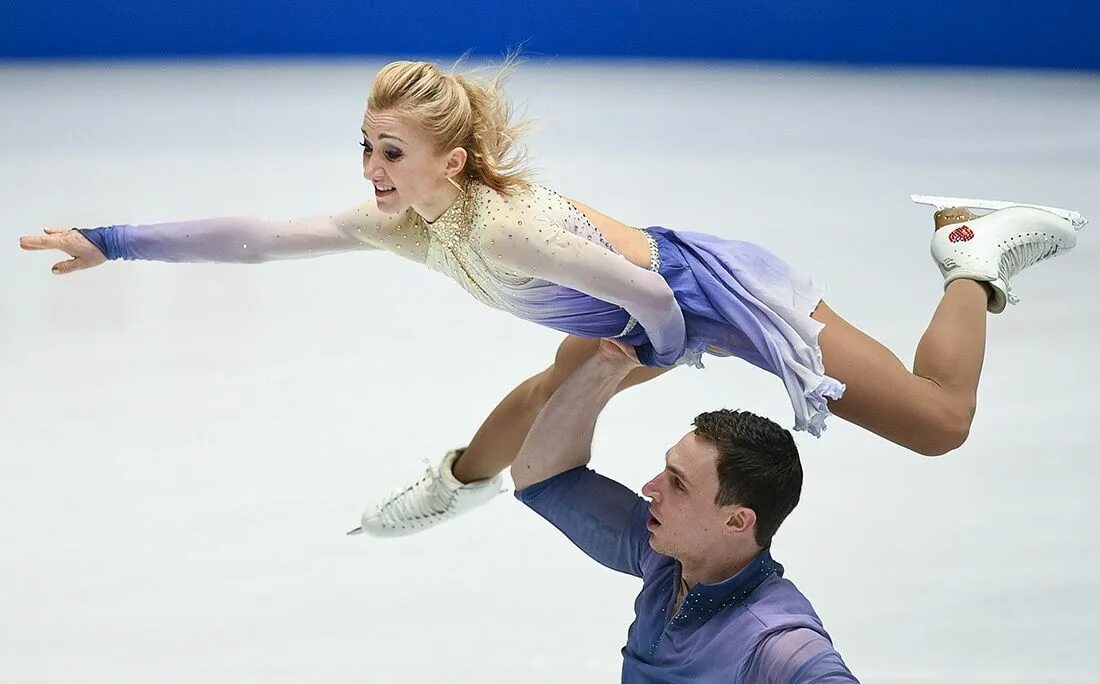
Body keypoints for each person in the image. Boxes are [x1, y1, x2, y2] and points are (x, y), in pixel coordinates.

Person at [18, 59, 1087, 537]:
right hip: (628, 314)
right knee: (545, 394)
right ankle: (457, 483)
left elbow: (652, 296)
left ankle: (970, 253)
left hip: (707, 292)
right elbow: (257, 240)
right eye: (365, 145)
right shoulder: (404, 221)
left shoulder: (508, 227)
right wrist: (111, 242)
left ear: (451, 160)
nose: (371, 169)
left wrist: (644, 355)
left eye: (391, 151)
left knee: (936, 424)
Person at [511, 339, 857, 682]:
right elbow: (544, 478)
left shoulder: (773, 637)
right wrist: (609, 364)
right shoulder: (665, 558)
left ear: (736, 520)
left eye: (678, 484)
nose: (650, 488)